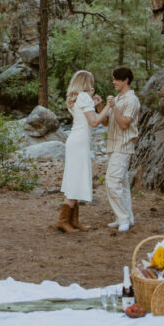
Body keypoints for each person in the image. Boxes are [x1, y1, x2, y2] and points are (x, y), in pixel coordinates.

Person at [57, 70, 106, 233]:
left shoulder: (78, 98)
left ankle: (73, 220)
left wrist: (96, 104)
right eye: (91, 81)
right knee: (76, 179)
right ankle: (63, 221)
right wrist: (108, 108)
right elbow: (94, 122)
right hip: (79, 143)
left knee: (75, 178)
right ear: (86, 82)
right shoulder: (84, 97)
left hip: (76, 141)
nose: (93, 85)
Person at [98, 66, 140, 232]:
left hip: (124, 146)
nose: (113, 82)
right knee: (122, 183)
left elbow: (123, 124)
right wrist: (100, 106)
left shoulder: (132, 100)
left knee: (112, 182)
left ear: (126, 80)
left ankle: (122, 218)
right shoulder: (119, 98)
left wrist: (114, 106)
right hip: (113, 145)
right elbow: (107, 122)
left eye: (116, 79)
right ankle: (126, 217)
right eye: (113, 78)